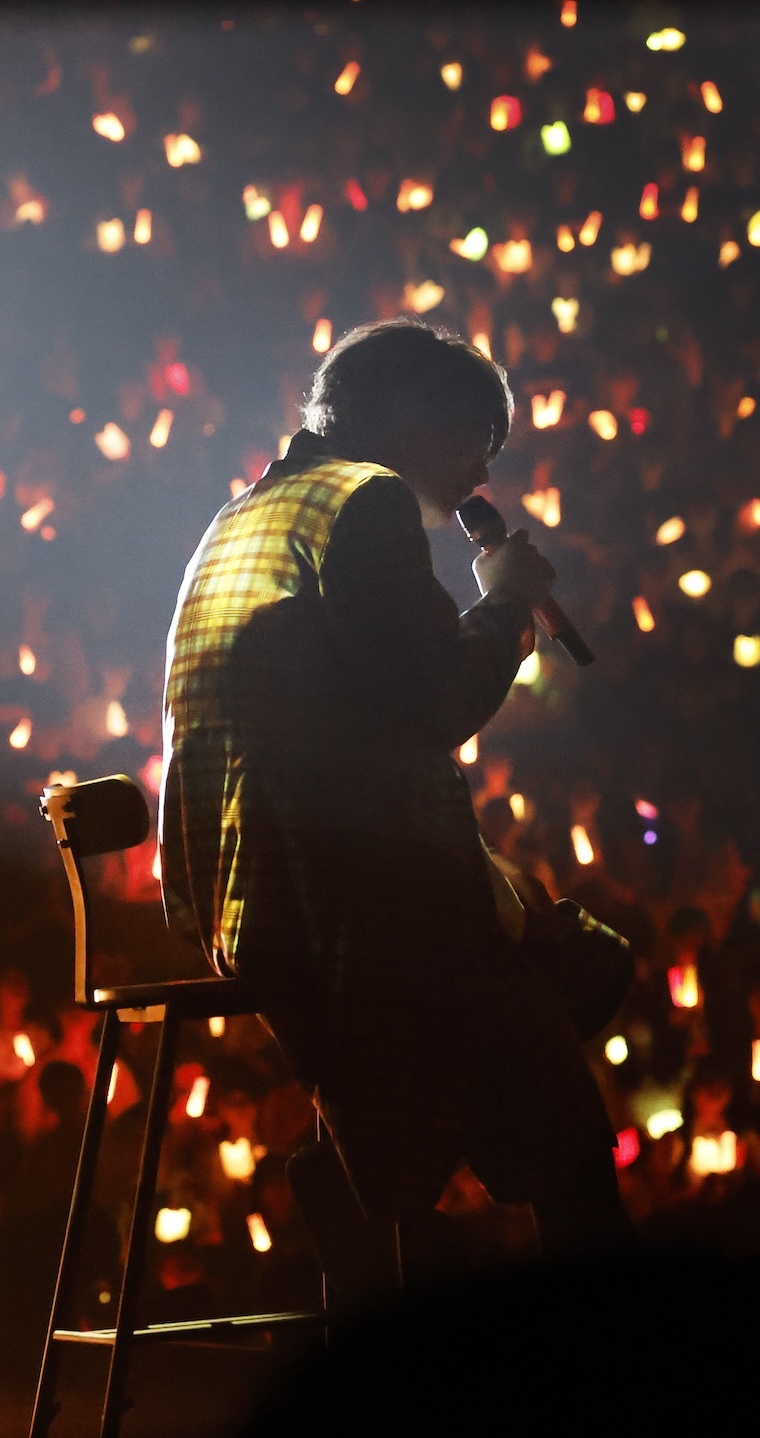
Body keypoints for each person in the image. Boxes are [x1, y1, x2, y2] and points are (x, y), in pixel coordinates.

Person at [159, 319, 630, 1297]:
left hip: (240, 896)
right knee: (565, 1075)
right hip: (349, 894)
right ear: (417, 419)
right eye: (476, 447)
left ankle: (363, 1175)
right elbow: (433, 703)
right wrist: (500, 604)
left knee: (525, 998)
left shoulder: (243, 514)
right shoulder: (364, 500)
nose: (477, 481)